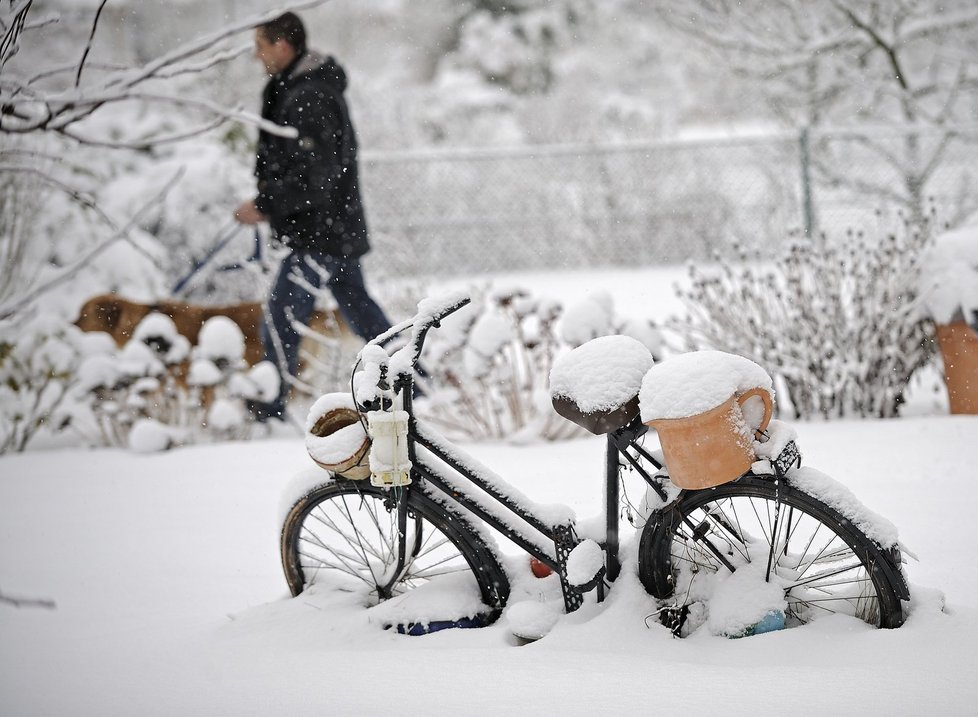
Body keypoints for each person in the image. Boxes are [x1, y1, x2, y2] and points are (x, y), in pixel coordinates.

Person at [234, 12, 391, 421]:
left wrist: (266, 206)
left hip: (320, 233)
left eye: (261, 47)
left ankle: (268, 411)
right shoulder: (302, 90)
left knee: (283, 316)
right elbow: (308, 168)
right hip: (331, 230)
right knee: (362, 313)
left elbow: (315, 174)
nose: (257, 56)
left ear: (282, 46)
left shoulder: (309, 97)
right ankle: (418, 382)